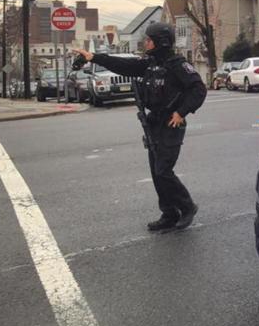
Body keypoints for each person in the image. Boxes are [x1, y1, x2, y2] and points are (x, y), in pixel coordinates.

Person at [72, 23, 206, 232]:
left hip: (171, 123)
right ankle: (169, 213)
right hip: (154, 123)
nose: (146, 42)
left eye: (149, 39)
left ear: (161, 41)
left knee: (163, 171)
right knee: (155, 171)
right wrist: (93, 57)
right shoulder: (149, 63)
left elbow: (198, 89)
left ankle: (187, 206)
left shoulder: (177, 65)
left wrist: (181, 113)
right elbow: (123, 66)